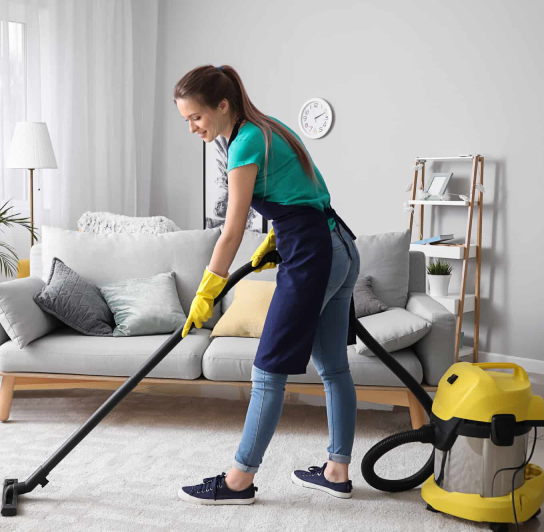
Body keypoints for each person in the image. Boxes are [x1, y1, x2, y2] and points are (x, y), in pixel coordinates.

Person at [173, 65, 361, 505]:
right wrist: (277, 235)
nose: (192, 128)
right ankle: (337, 470)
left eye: (196, 117)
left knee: (267, 371)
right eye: (186, 120)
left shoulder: (244, 142)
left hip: (314, 255)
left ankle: (238, 482)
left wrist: (206, 292)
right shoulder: (267, 126)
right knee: (333, 366)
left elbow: (232, 230)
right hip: (339, 245)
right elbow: (304, 194)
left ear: (222, 106)